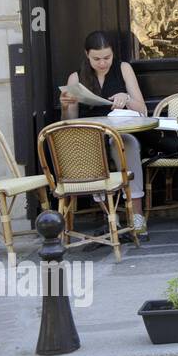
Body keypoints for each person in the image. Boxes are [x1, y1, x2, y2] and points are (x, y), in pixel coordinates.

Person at [58, 30, 149, 233]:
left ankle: (136, 216)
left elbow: (142, 109)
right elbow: (69, 122)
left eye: (107, 57)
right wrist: (65, 106)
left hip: (122, 130)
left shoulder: (123, 68)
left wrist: (125, 98)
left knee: (128, 145)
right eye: (96, 59)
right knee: (89, 149)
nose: (102, 63)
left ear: (112, 54)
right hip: (91, 135)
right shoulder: (76, 77)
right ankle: (110, 217)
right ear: (86, 55)